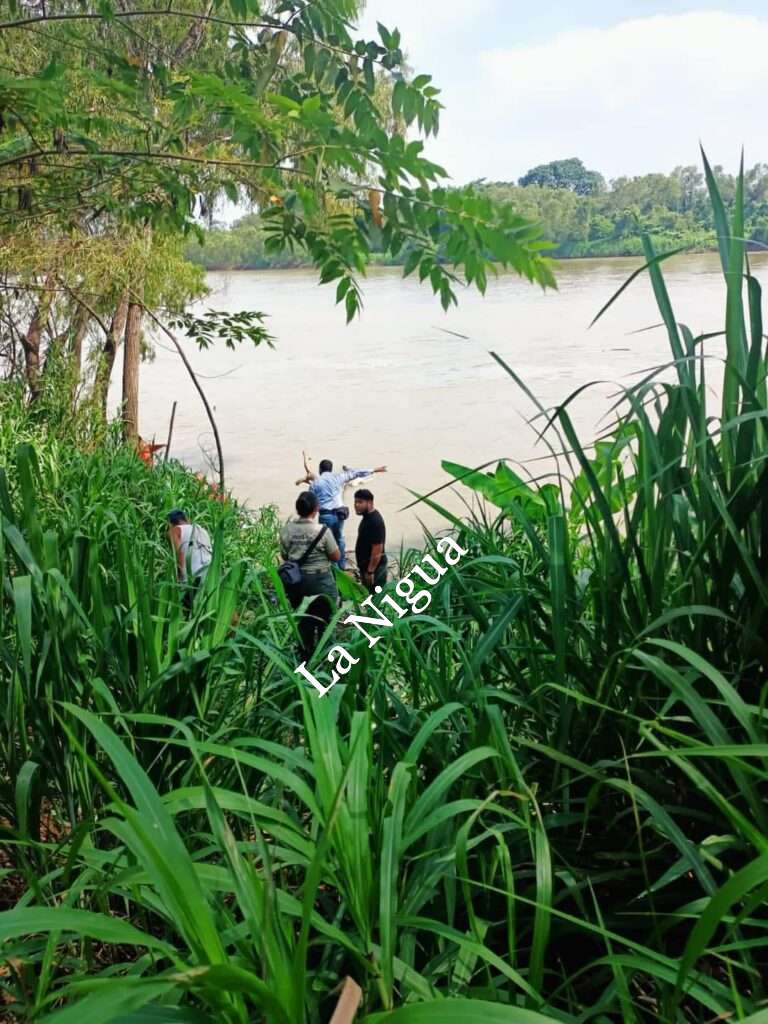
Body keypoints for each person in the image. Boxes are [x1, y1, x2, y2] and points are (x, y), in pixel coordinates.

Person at [280, 490, 341, 659]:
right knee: (326, 618)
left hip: (297, 582)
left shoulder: (286, 530)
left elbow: (285, 556)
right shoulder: (322, 531)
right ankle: (325, 657)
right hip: (321, 581)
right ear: (316, 509)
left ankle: (304, 656)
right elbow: (336, 556)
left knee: (304, 618)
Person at [307, 458, 387, 569]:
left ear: (320, 470)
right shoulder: (337, 477)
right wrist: (374, 470)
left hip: (326, 516)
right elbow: (355, 473)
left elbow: (310, 501)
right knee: (339, 538)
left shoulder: (315, 483)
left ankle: (334, 569)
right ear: (331, 469)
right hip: (340, 514)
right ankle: (342, 565)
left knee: (328, 542)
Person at [167, 509, 213, 608]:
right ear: (187, 519)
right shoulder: (202, 530)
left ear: (170, 523)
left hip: (195, 575)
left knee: (185, 610)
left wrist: (181, 579)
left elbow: (179, 554)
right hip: (213, 571)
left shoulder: (174, 531)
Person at [354, 488, 387, 592]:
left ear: (370, 503)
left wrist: (370, 572)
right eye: (355, 502)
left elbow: (377, 549)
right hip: (368, 568)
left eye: (360, 502)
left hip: (375, 570)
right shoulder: (368, 518)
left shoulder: (374, 521)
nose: (356, 505)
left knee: (376, 599)